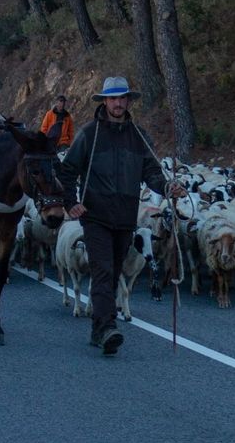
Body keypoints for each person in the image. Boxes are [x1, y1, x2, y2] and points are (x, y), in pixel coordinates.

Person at [57, 76, 186, 356]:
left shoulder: (139, 136)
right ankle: (107, 328)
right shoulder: (89, 134)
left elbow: (152, 172)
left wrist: (167, 187)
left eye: (122, 98)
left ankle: (97, 328)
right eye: (112, 98)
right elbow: (66, 171)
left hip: (126, 217)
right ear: (104, 101)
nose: (117, 103)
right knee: (103, 270)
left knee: (114, 272)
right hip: (95, 216)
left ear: (128, 101)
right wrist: (71, 202)